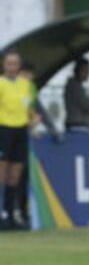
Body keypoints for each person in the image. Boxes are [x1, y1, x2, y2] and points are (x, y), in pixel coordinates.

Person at [0, 51, 37, 230]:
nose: (12, 67)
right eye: (9, 63)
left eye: (15, 64)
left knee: (15, 175)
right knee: (2, 172)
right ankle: (2, 213)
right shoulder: (0, 83)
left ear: (19, 66)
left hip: (21, 131)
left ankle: (11, 213)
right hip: (4, 129)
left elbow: (30, 108)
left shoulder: (25, 85)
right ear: (4, 65)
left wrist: (34, 120)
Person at [64, 57, 89, 134]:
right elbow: (88, 106)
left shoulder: (75, 86)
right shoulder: (75, 87)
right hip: (78, 127)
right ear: (79, 71)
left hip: (77, 126)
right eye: (86, 70)